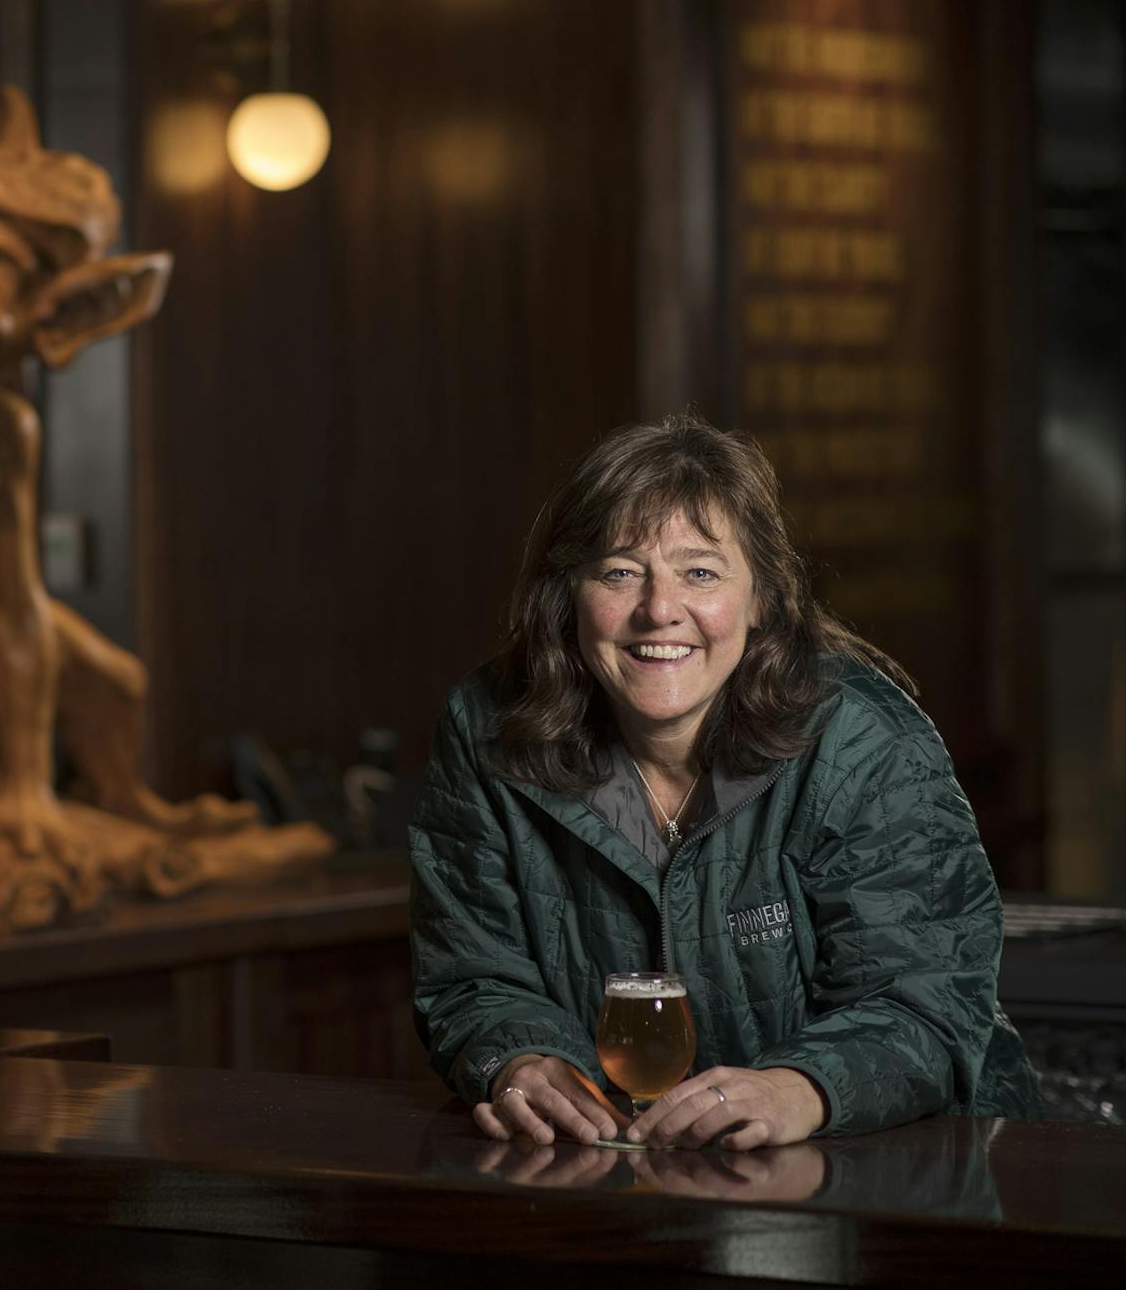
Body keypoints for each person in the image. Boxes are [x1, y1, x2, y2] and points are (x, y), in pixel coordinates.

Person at [408, 414, 1042, 1149]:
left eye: (700, 572)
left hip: (903, 1167)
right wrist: (518, 1058)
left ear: (762, 599)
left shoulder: (862, 741)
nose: (659, 610)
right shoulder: (487, 727)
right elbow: (471, 977)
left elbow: (931, 1001)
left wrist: (798, 1089)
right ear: (568, 595)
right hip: (623, 1173)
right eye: (619, 571)